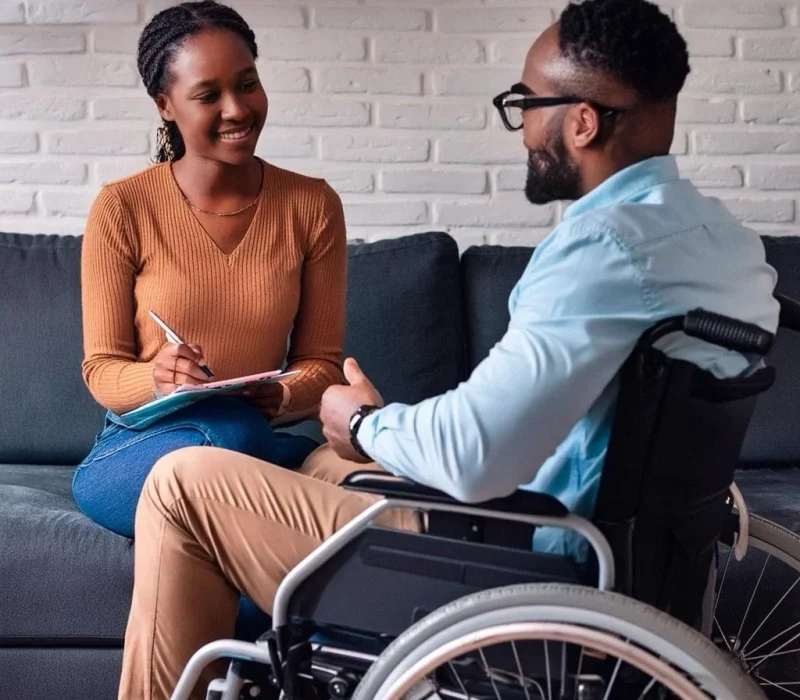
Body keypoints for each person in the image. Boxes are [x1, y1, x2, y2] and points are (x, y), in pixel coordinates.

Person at [116, 0, 781, 698]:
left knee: (180, 480)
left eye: (526, 103)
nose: (523, 126)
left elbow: (476, 457)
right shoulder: (725, 242)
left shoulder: (603, 251)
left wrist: (369, 424)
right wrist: (377, 437)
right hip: (627, 555)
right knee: (327, 466)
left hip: (520, 568)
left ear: (581, 122)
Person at [73, 0, 347, 541]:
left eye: (247, 84)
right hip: (139, 447)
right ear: (165, 105)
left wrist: (286, 395)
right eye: (208, 95)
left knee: (246, 441)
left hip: (248, 437)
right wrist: (157, 376)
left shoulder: (311, 205)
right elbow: (101, 371)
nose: (237, 109)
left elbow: (322, 363)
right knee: (243, 442)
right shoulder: (122, 207)